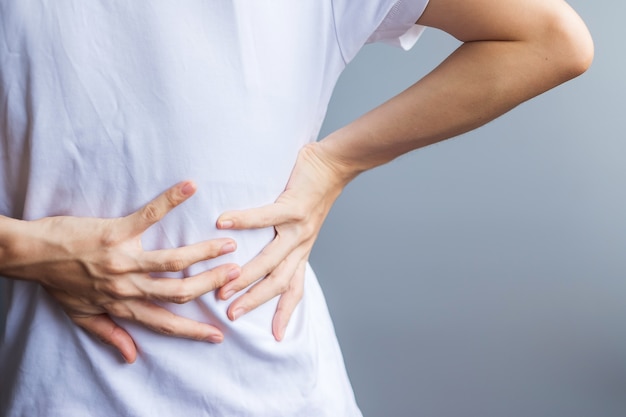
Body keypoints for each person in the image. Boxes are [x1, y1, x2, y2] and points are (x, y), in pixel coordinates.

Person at [0, 0, 592, 416]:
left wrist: (338, 162)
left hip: (279, 394)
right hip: (59, 392)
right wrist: (24, 248)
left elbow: (552, 38)